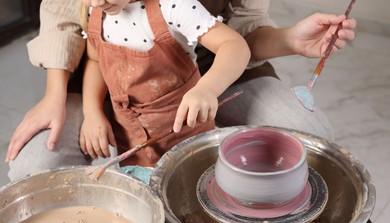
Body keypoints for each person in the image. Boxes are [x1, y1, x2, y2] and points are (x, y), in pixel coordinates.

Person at [5, 0, 356, 181]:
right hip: (113, 93)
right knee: (33, 166)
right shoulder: (99, 10)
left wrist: (288, 40)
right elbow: (86, 47)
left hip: (203, 82)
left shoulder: (175, 7)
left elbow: (238, 42)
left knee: (312, 143)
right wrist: (67, 100)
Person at [78, 0, 250, 166]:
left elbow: (234, 45)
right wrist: (92, 112)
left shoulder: (172, 6)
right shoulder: (96, 12)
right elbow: (95, 60)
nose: (97, 2)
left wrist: (207, 89)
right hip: (132, 141)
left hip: (187, 136)